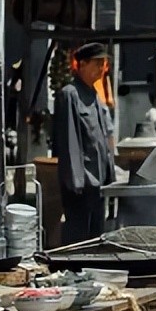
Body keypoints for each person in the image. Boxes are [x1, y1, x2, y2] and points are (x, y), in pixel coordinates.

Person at [53, 41, 116, 243]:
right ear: (82, 64)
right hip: (81, 179)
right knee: (78, 233)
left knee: (96, 233)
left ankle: (90, 272)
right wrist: (75, 180)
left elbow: (103, 136)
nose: (101, 69)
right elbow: (69, 140)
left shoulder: (94, 95)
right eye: (97, 64)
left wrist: (110, 174)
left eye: (103, 64)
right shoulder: (70, 94)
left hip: (98, 178)